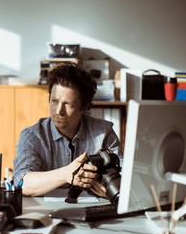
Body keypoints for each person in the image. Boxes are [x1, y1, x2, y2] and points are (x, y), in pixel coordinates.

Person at [12, 62, 122, 199]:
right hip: (46, 213)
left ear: (85, 107)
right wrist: (66, 174)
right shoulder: (32, 136)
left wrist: (106, 188)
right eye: (54, 101)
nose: (58, 111)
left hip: (95, 209)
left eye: (68, 104)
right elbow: (22, 183)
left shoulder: (104, 133)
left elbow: (126, 180)